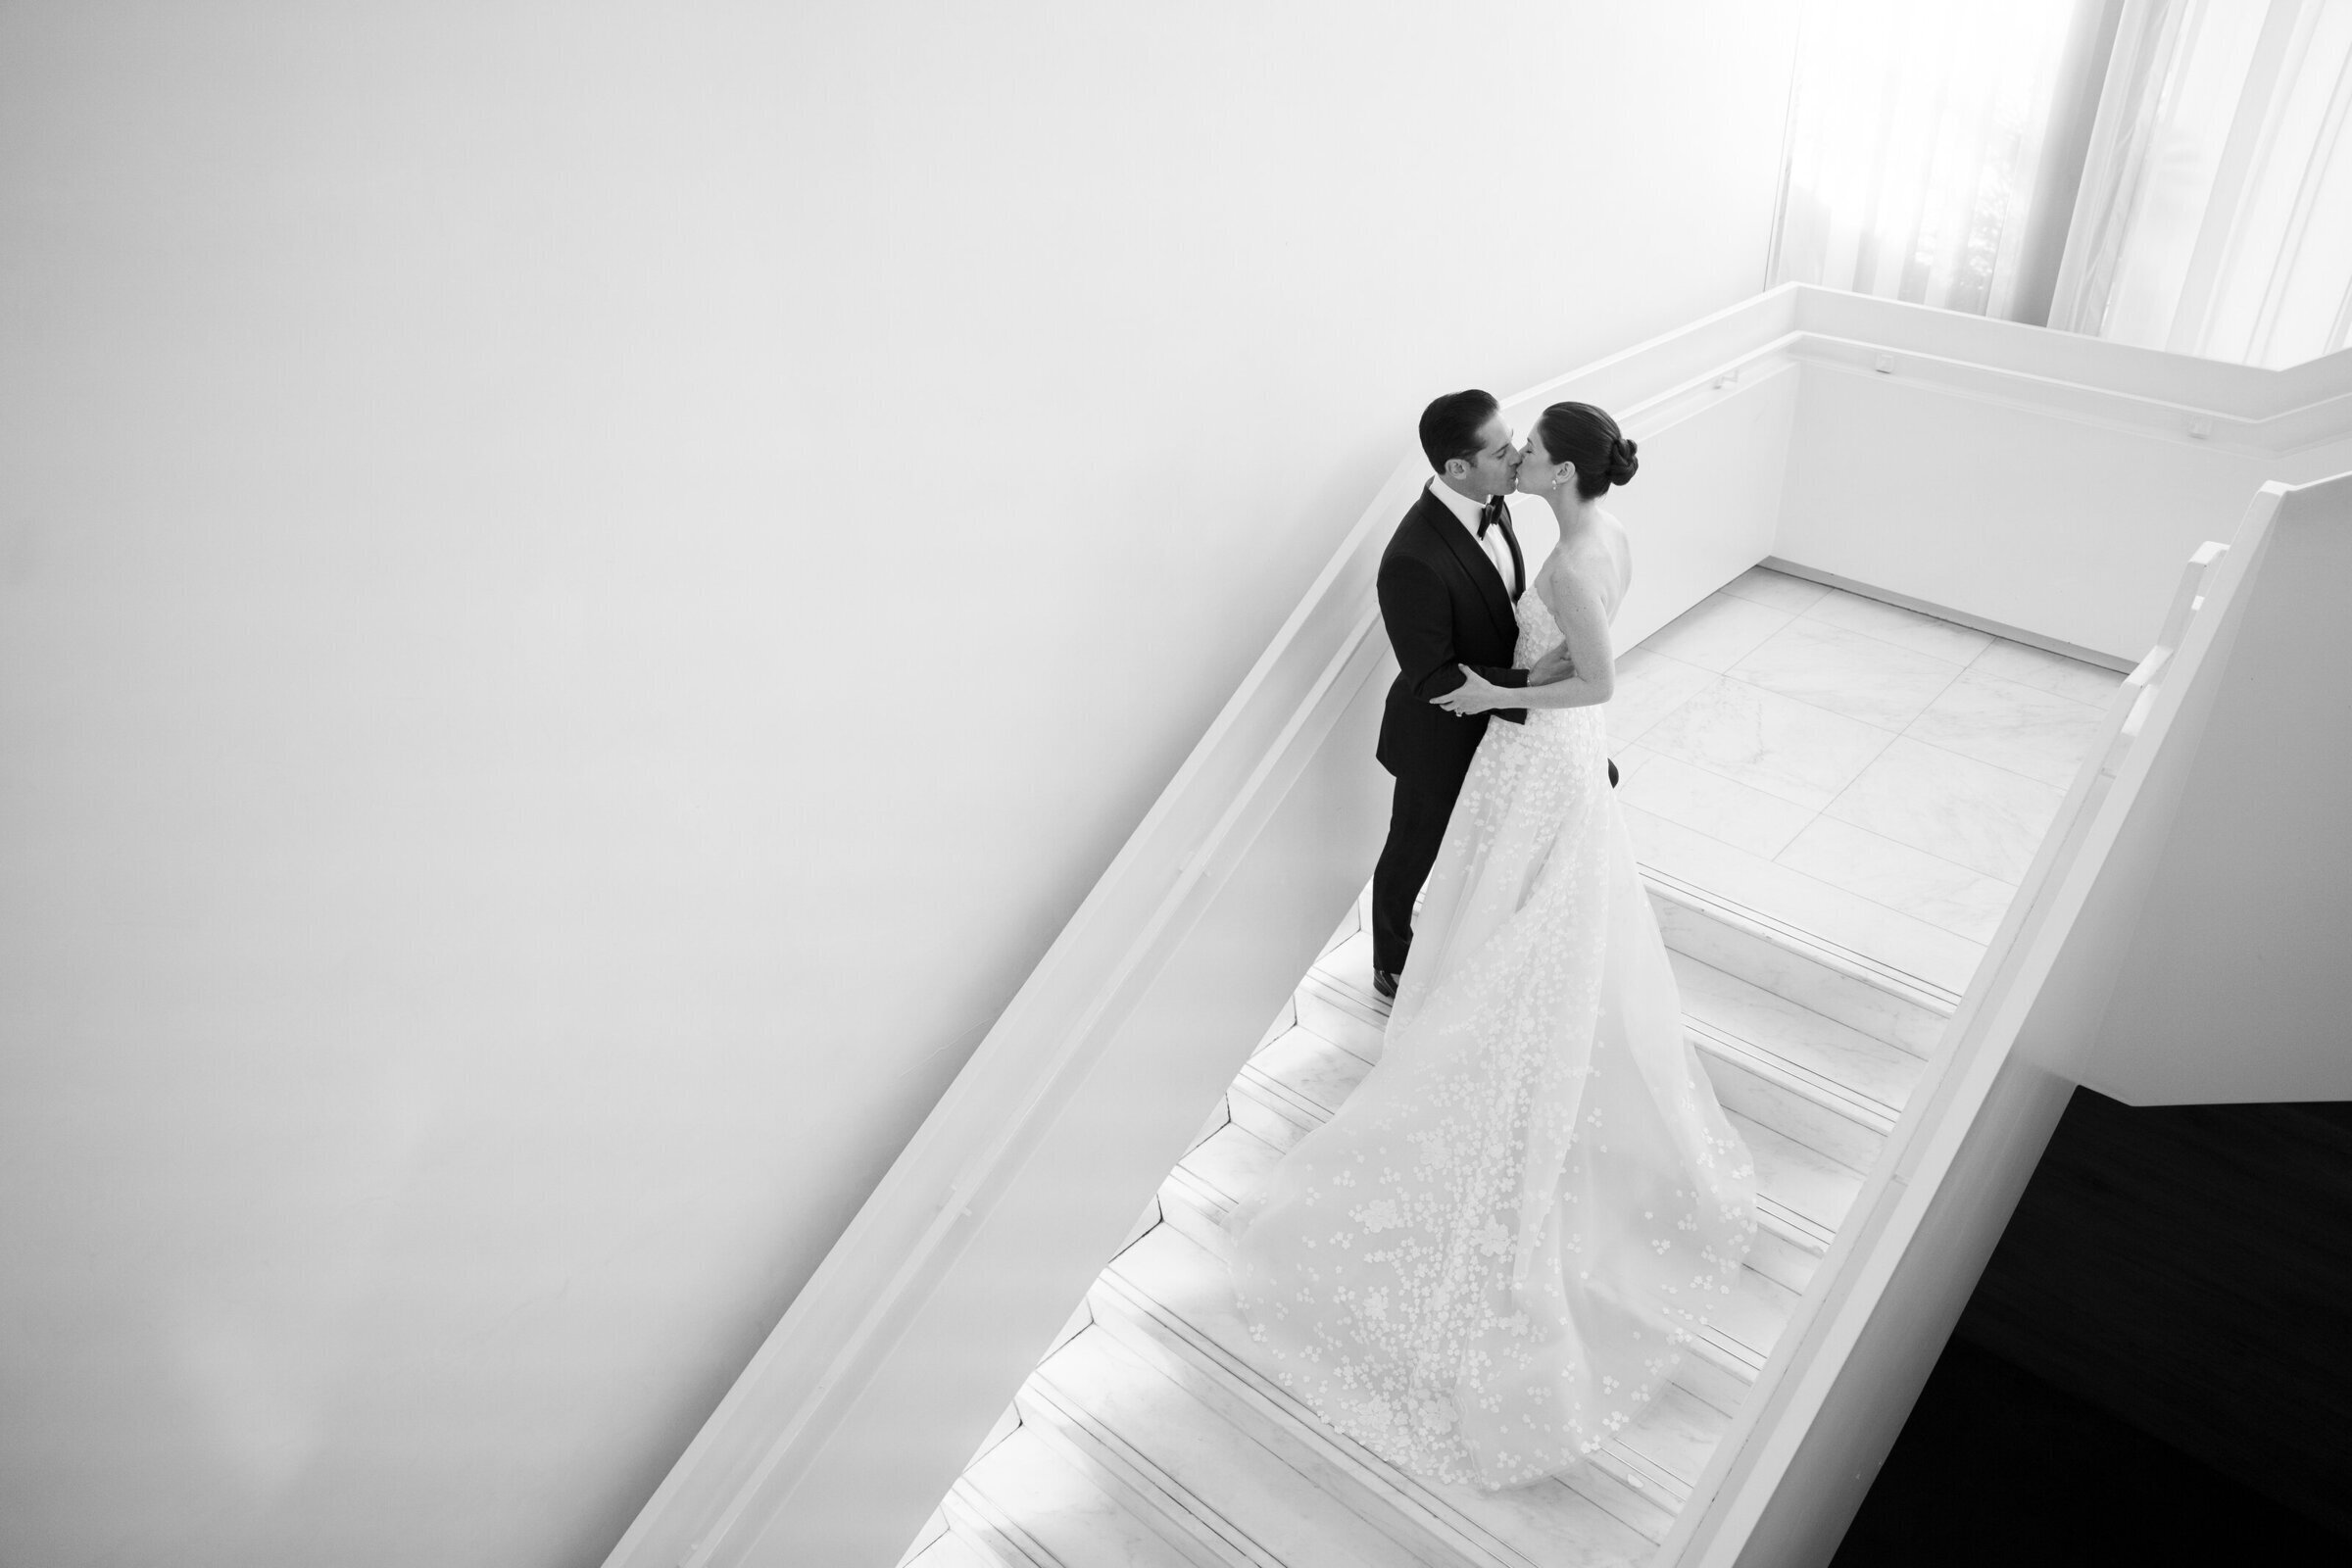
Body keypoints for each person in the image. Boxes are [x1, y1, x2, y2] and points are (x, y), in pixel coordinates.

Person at [1227, 401, 1757, 1492]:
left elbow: (1594, 671)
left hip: (1536, 738)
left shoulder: (1557, 552)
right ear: (1471, 467)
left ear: (1554, 468)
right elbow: (1450, 672)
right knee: (1440, 869)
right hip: (1481, 738)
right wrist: (1488, 694)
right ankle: (1403, 970)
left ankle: (1492, 1008)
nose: (1516, 455)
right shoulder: (1477, 548)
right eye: (1503, 448)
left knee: (1521, 895)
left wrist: (1503, 690)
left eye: (1527, 446)